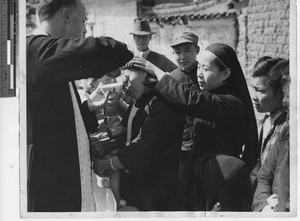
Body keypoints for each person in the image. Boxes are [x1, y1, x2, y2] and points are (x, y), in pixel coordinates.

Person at [27, 0, 133, 212]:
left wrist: (88, 109)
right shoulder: (35, 49)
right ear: (67, 15)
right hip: (51, 186)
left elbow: (53, 122)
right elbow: (105, 51)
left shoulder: (48, 58)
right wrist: (121, 54)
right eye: (83, 21)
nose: (85, 29)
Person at [130, 43, 258, 210]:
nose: (199, 74)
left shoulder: (232, 103)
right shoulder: (211, 94)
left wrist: (161, 74)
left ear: (226, 73)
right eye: (199, 68)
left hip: (218, 182)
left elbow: (192, 100)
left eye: (206, 69)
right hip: (198, 178)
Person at [92, 63, 185, 211]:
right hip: (139, 180)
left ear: (146, 73)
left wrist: (106, 164)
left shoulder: (162, 104)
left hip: (156, 185)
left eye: (127, 78)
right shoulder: (139, 100)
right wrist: (104, 148)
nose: (124, 85)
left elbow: (145, 148)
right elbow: (127, 134)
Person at [250, 57, 290, 212]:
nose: (254, 96)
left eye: (260, 90)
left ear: (281, 93)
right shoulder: (267, 119)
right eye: (254, 88)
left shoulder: (286, 125)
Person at [166, 32, 200, 203]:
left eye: (187, 51)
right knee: (181, 188)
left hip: (203, 144)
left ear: (197, 50)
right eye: (178, 52)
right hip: (179, 145)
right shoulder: (172, 78)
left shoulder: (204, 75)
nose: (182, 56)